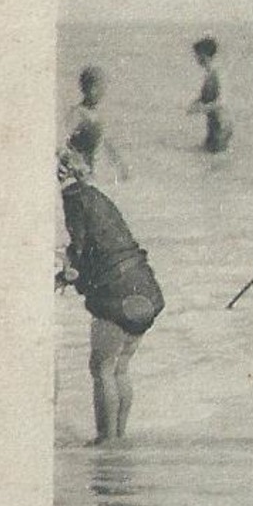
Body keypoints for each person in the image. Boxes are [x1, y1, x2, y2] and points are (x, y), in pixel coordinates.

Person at [56, 147, 163, 444]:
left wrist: (62, 275)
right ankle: (118, 436)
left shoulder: (73, 200)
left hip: (116, 292)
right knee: (120, 368)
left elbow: (77, 249)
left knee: (101, 368)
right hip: (144, 286)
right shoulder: (98, 197)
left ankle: (105, 438)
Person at [64, 66, 129, 181]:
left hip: (90, 175)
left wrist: (122, 167)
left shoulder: (99, 116)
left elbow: (108, 145)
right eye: (93, 87)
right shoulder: (77, 114)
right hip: (75, 175)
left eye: (100, 87)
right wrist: (74, 166)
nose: (98, 91)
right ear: (84, 88)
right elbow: (64, 144)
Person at [187, 37, 234, 153]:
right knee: (207, 158)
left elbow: (222, 102)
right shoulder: (209, 74)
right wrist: (197, 102)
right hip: (214, 123)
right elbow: (206, 97)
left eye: (197, 55)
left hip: (222, 124)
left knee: (215, 159)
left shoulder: (218, 73)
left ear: (204, 55)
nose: (196, 59)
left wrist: (202, 108)